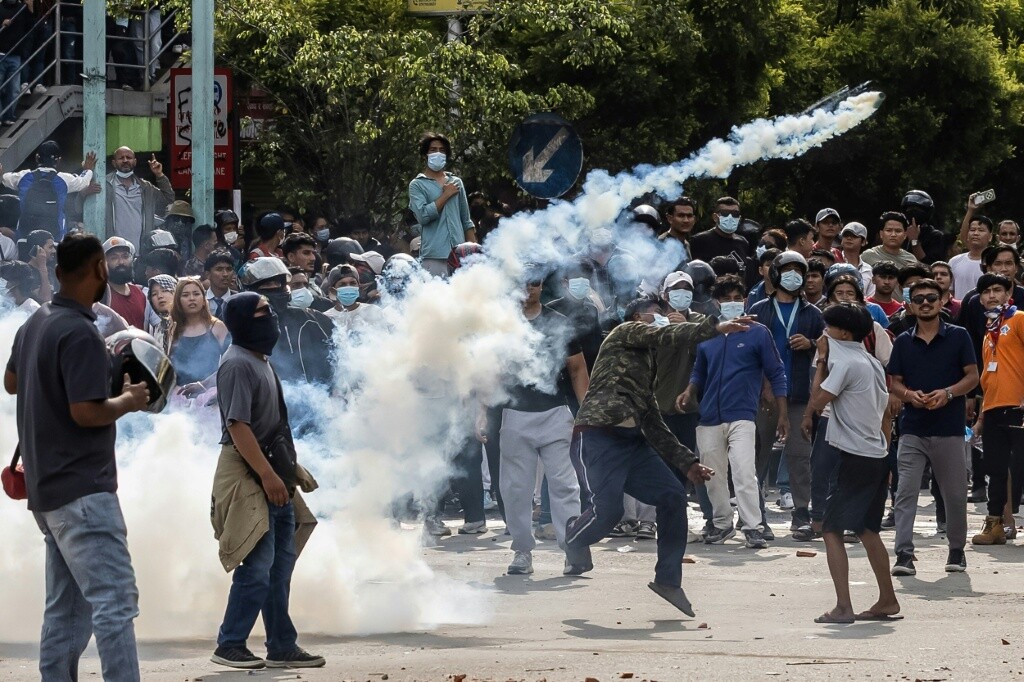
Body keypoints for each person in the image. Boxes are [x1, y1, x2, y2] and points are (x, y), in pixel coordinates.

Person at [4, 232, 152, 681]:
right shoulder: (81, 331)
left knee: (67, 611)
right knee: (115, 603)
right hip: (83, 491)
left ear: (60, 271)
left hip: (48, 490)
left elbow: (11, 382)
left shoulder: (35, 324)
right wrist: (129, 399)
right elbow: (86, 413)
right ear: (100, 270)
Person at [565, 296, 748, 617]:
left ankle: (668, 581)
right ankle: (574, 537)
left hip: (630, 441)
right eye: (657, 315)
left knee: (672, 496)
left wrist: (687, 463)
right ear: (637, 317)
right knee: (607, 513)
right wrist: (714, 327)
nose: (664, 319)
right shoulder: (625, 332)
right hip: (597, 433)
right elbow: (664, 335)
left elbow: (652, 421)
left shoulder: (647, 365)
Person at [210, 292, 324, 670]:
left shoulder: (260, 360)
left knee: (279, 566)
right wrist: (267, 475)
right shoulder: (237, 364)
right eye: (262, 313)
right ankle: (230, 643)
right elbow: (237, 426)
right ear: (243, 321)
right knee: (257, 564)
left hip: (271, 467)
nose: (271, 318)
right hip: (249, 469)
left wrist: (285, 471)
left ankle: (281, 645)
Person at [483, 273, 590, 576]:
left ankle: (572, 549)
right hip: (515, 416)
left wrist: (587, 412)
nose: (527, 289)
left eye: (533, 282)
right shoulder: (502, 325)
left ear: (541, 286)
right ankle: (521, 552)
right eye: (520, 283)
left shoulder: (559, 322)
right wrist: (481, 413)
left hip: (557, 414)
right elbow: (489, 373)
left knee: (565, 486)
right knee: (515, 489)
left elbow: (578, 369)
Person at [802, 303, 897, 625]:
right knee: (868, 529)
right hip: (876, 455)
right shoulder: (869, 360)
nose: (823, 333)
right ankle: (887, 599)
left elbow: (817, 402)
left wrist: (823, 361)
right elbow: (885, 412)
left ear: (842, 332)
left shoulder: (842, 362)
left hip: (856, 457)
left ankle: (843, 606)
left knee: (830, 529)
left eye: (828, 328)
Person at [682, 275, 787, 549]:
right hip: (708, 417)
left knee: (743, 471)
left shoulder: (757, 332)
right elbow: (700, 370)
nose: (731, 303)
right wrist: (690, 391)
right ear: (716, 303)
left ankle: (753, 526)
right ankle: (722, 524)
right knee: (711, 475)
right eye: (725, 299)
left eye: (736, 298)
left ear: (744, 300)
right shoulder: (709, 333)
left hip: (742, 414)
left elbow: (776, 372)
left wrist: (783, 413)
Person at [887, 278, 978, 574]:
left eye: (931, 298)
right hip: (912, 428)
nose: (925, 303)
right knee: (905, 493)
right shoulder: (902, 341)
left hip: (949, 429)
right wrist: (909, 395)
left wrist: (948, 393)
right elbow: (894, 382)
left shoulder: (959, 336)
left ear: (942, 301)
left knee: (953, 495)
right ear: (910, 305)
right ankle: (903, 554)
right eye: (919, 299)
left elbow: (973, 377)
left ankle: (956, 551)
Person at [748, 251, 825, 537]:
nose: (793, 275)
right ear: (776, 274)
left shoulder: (813, 313)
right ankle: (755, 515)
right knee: (757, 457)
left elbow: (828, 351)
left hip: (799, 396)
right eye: (787, 269)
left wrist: (812, 342)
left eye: (799, 270)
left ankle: (801, 513)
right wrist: (761, 383)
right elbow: (747, 352)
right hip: (763, 396)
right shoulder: (758, 309)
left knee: (800, 456)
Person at [971, 273, 1024, 545]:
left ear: (1008, 293)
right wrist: (980, 417)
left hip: (1019, 406)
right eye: (986, 292)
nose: (992, 295)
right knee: (996, 468)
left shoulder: (1019, 319)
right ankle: (995, 524)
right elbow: (988, 380)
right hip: (993, 408)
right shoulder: (988, 332)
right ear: (980, 298)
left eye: (997, 290)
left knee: (1020, 467)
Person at [240, 257, 334, 385]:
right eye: (267, 284)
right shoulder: (240, 327)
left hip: (317, 396)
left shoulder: (310, 319)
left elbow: (337, 355)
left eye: (277, 283)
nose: (274, 288)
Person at [76, 147, 175, 250]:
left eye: (129, 157)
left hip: (141, 252)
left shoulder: (145, 187)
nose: (125, 160)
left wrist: (159, 175)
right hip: (113, 252)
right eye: (121, 158)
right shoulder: (104, 185)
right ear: (114, 163)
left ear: (135, 161)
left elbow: (168, 199)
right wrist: (83, 192)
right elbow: (77, 209)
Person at [408, 132, 475, 277]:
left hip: (460, 255)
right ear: (425, 154)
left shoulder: (456, 182)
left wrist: (476, 252)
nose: (438, 153)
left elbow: (466, 221)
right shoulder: (417, 185)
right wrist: (445, 195)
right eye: (433, 150)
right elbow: (423, 216)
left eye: (442, 150)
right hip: (434, 256)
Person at [1, 141, 96, 239]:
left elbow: (4, 178)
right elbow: (84, 182)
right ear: (58, 160)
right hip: (54, 239)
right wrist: (87, 169)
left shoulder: (23, 177)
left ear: (37, 158)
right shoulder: (64, 180)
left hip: (25, 238)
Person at [168, 277, 230, 400]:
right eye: (185, 295)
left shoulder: (217, 327)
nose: (191, 298)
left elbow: (229, 364)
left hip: (209, 395)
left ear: (203, 299)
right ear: (178, 301)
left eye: (196, 294)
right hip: (179, 397)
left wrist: (206, 385)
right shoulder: (172, 329)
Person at [689, 196, 751, 270]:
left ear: (739, 218)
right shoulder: (699, 241)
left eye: (735, 213)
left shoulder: (743, 242)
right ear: (715, 217)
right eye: (725, 213)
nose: (730, 217)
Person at [104, 236, 146, 329]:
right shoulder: (102, 296)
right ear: (105, 263)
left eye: (125, 256)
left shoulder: (139, 294)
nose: (121, 262)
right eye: (114, 258)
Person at [949, 214, 992, 301]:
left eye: (981, 230)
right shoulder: (954, 261)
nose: (976, 233)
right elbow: (949, 291)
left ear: (990, 237)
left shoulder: (995, 263)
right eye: (972, 230)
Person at [0, 0, 30, 124]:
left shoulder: (23, 8)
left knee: (14, 89)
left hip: (16, 54)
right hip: (1, 53)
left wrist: (31, 8)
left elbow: (31, 26)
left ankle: (8, 116)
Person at [833, 222, 875, 296]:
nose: (849, 238)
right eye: (846, 236)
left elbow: (870, 298)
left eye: (854, 236)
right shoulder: (833, 262)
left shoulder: (869, 270)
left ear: (863, 242)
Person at [659, 197, 696, 264]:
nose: (686, 220)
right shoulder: (661, 244)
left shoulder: (686, 244)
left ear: (694, 219)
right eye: (681, 216)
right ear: (670, 218)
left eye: (689, 216)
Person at [145, 273, 177, 350]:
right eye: (154, 294)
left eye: (165, 290)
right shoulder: (158, 328)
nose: (160, 296)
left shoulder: (186, 322)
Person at [205, 251, 238, 320]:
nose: (225, 274)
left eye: (229, 269)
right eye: (219, 269)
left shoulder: (240, 300)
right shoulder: (200, 299)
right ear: (208, 274)